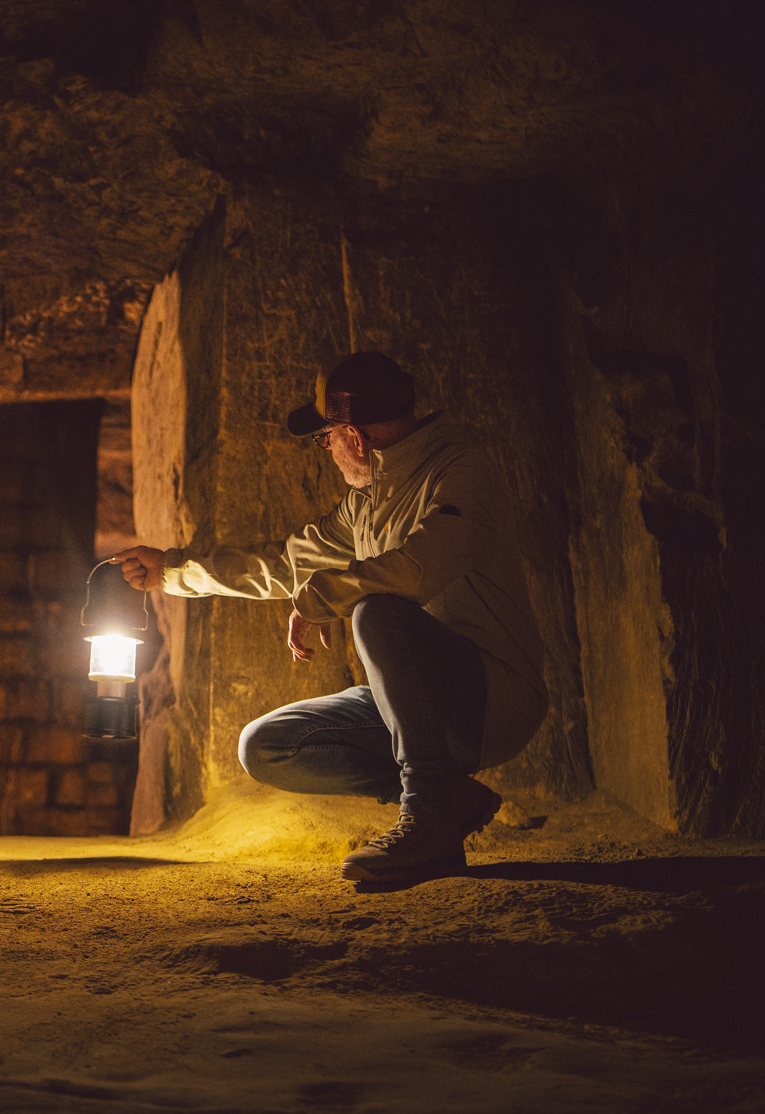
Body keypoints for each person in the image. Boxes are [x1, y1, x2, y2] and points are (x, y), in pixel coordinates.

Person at [115, 352, 547, 885]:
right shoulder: (365, 506)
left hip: (491, 697)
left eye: (326, 439)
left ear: (354, 438)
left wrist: (320, 598)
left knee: (378, 613)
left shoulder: (461, 473)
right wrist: (173, 571)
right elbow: (287, 562)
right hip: (412, 702)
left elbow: (416, 567)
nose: (327, 451)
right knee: (267, 746)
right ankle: (448, 797)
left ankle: (428, 819)